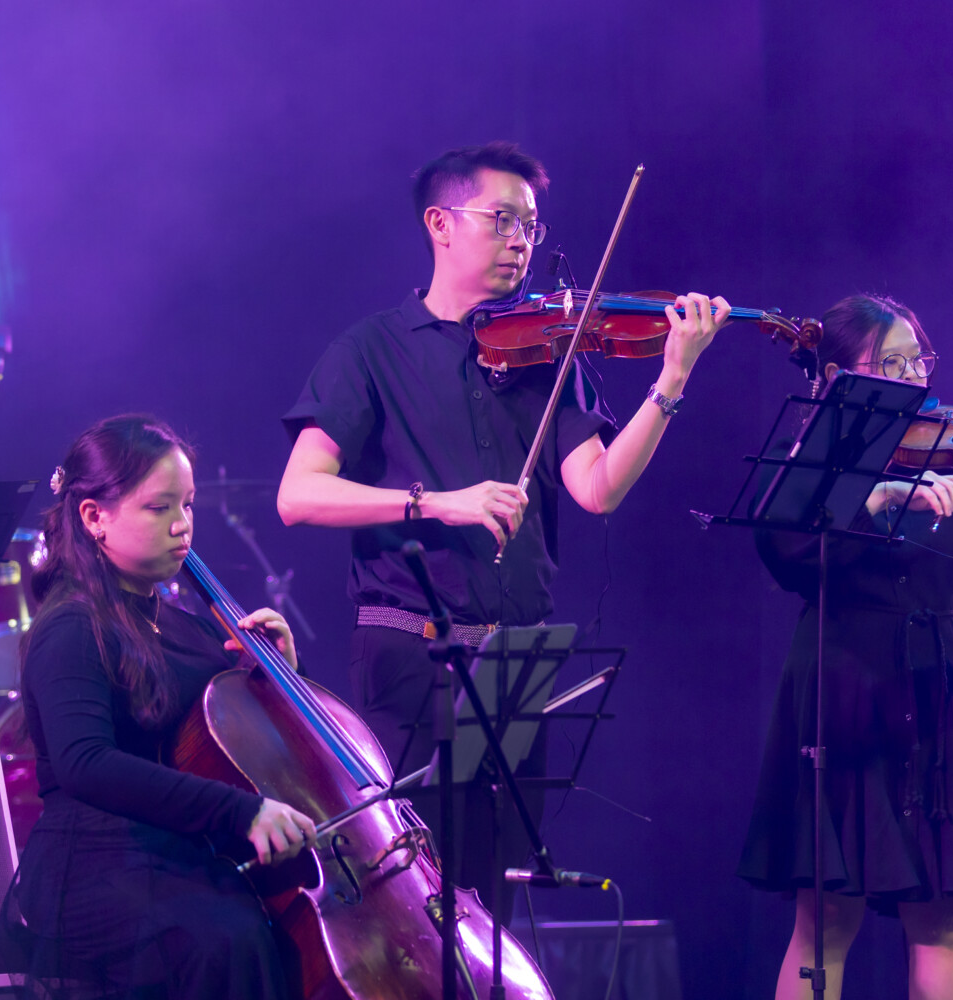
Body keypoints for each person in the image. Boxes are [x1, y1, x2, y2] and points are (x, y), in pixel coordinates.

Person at [276, 141, 729, 906]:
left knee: (494, 895)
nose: (522, 239)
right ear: (440, 224)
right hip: (411, 651)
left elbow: (598, 489)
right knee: (412, 893)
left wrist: (672, 378)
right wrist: (435, 502)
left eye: (532, 226)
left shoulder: (544, 352)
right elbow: (299, 494)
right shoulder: (370, 350)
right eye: (503, 219)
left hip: (516, 658)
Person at [737, 294, 953, 1000]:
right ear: (839, 377)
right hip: (847, 678)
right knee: (825, 918)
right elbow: (782, 550)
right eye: (890, 363)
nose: (912, 377)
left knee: (943, 917)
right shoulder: (815, 457)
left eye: (918, 361)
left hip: (943, 680)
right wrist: (870, 501)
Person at [2, 414, 314, 999]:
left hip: (178, 849)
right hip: (97, 861)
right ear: (95, 517)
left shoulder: (188, 627)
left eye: (188, 506)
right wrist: (241, 812)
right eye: (159, 508)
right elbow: (86, 764)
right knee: (226, 940)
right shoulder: (70, 626)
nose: (182, 526)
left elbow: (241, 747)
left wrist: (281, 683)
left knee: (274, 924)